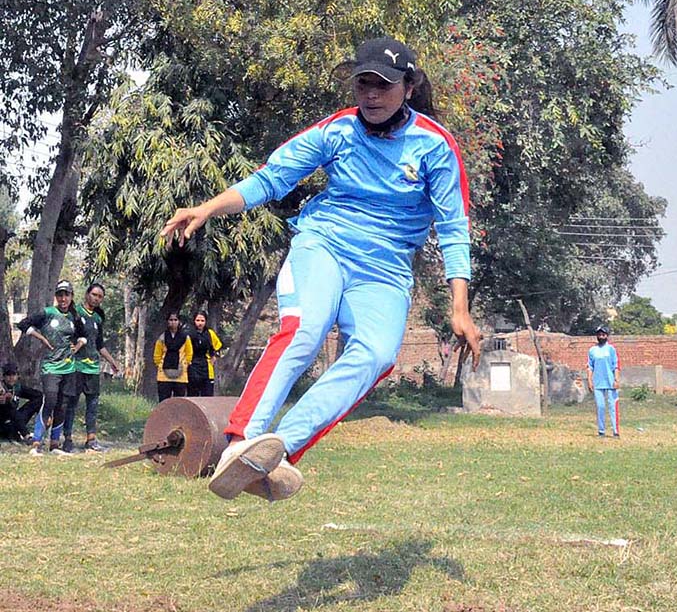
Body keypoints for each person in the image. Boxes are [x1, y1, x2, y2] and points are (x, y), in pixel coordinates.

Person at [161, 36, 482, 504]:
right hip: (324, 245)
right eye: (363, 84)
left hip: (385, 269)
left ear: (408, 88)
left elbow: (454, 228)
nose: (370, 95)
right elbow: (272, 178)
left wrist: (460, 307)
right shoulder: (337, 131)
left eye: (383, 86)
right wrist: (208, 208)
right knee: (304, 330)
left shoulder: (435, 147)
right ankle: (238, 443)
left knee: (376, 354)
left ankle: (277, 451)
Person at [18, 280, 87, 454]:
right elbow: (23, 324)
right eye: (60, 295)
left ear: (71, 297)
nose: (63, 298)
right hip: (50, 367)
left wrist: (77, 346)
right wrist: (40, 338)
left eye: (66, 295)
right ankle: (37, 442)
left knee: (63, 405)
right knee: (49, 401)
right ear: (56, 296)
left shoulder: (74, 316)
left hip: (69, 368)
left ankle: (55, 444)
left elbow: (84, 336)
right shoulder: (48, 313)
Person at [62, 283, 122, 453]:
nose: (96, 298)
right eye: (94, 294)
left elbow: (99, 344)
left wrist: (112, 361)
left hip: (93, 368)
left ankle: (91, 439)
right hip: (76, 367)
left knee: (93, 404)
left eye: (100, 296)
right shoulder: (75, 313)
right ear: (87, 294)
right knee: (71, 403)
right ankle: (67, 438)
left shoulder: (97, 318)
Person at [587, 325, 620, 438]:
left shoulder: (611, 349)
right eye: (599, 335)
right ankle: (601, 431)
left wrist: (616, 380)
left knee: (612, 406)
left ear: (607, 336)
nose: (601, 336)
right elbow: (590, 367)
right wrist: (589, 381)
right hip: (598, 382)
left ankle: (615, 431)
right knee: (600, 406)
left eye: (603, 335)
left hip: (610, 382)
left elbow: (615, 365)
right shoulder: (592, 350)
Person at [153, 312, 192, 401]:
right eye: (171, 320)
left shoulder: (185, 337)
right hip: (163, 375)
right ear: (167, 321)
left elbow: (189, 354)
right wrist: (160, 365)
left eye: (175, 320)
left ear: (179, 322)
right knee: (163, 402)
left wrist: (185, 364)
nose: (173, 322)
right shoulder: (162, 337)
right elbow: (157, 355)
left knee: (179, 403)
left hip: (181, 375)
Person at [0, 362, 42, 444]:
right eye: (8, 375)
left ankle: (38, 429)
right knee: (9, 407)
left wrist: (42, 413)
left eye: (13, 374)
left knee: (38, 399)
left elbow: (38, 395)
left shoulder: (18, 387)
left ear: (17, 375)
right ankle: (26, 436)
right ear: (4, 377)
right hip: (2, 424)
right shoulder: (2, 387)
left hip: (15, 422)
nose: (11, 378)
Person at [186, 310, 223, 397]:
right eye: (198, 320)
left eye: (202, 321)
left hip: (206, 365)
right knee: (192, 395)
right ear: (194, 321)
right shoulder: (189, 333)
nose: (200, 323)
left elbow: (218, 346)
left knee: (207, 395)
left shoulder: (210, 333)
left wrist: (214, 356)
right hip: (192, 366)